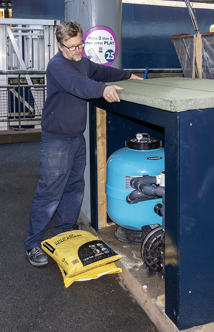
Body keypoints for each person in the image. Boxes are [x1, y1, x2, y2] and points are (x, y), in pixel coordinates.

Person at [25, 20, 142, 266]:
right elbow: (80, 84)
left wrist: (128, 75)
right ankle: (33, 243)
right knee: (49, 193)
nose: (77, 51)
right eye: (71, 47)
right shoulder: (58, 65)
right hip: (56, 142)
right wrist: (103, 89)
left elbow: (101, 71)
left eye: (80, 45)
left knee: (74, 188)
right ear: (60, 45)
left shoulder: (82, 62)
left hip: (76, 138)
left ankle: (63, 233)